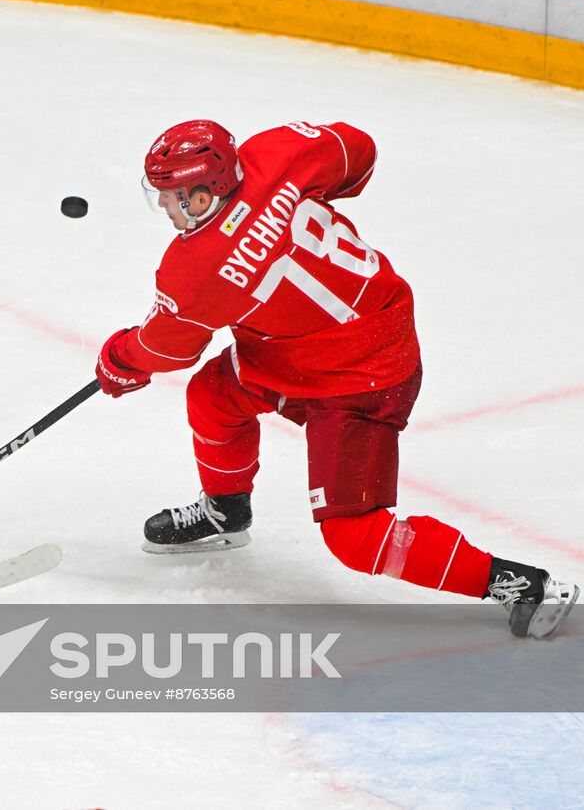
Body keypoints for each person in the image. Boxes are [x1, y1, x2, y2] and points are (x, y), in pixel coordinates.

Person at [94, 119, 578, 638]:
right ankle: (225, 512)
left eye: (171, 196)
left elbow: (165, 348)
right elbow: (358, 152)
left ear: (204, 193)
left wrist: (118, 361)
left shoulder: (194, 272)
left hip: (363, 376)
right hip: (309, 349)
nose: (165, 208)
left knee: (355, 537)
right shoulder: (278, 151)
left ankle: (517, 582)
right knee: (214, 396)